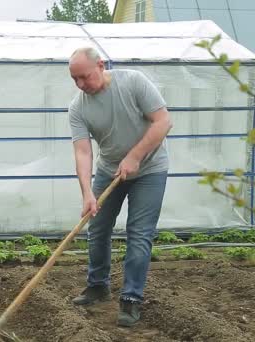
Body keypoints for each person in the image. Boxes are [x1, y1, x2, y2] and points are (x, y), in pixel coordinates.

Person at [67, 47, 173, 327]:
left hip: (150, 170)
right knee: (97, 228)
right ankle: (98, 285)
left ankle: (131, 298)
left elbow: (163, 121)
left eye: (84, 77)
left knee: (138, 233)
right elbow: (83, 152)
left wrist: (135, 156)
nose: (80, 85)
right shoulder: (78, 107)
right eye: (74, 79)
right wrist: (87, 193)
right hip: (109, 169)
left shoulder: (133, 82)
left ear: (100, 65)